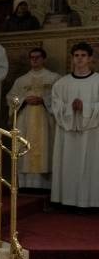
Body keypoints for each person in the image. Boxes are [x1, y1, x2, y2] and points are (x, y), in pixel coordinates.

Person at [50, 42, 99, 208]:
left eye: (83, 55)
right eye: (76, 55)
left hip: (92, 134)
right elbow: (55, 105)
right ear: (72, 58)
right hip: (68, 133)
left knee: (91, 165)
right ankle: (67, 201)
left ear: (90, 58)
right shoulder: (62, 83)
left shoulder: (97, 81)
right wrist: (70, 108)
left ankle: (91, 202)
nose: (79, 59)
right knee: (68, 164)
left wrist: (86, 107)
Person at [5, 48, 60, 189]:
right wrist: (24, 99)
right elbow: (11, 98)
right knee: (25, 149)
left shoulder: (54, 78)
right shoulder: (21, 80)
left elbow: (60, 98)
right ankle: (26, 185)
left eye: (38, 57)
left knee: (46, 148)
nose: (34, 60)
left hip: (45, 121)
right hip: (26, 122)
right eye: (32, 57)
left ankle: (46, 187)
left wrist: (44, 100)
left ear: (44, 59)